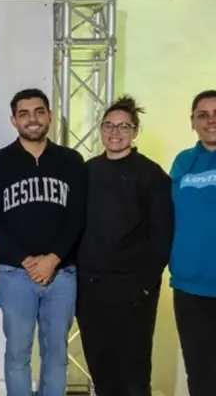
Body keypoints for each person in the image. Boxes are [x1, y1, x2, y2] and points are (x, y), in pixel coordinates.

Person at [0, 88, 87, 396]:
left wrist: (53, 259)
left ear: (50, 116)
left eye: (39, 111)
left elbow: (77, 216)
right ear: (14, 121)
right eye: (24, 114)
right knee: (17, 355)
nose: (33, 119)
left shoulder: (71, 160)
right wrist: (26, 260)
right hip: (16, 273)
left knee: (56, 356)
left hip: (62, 273)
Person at [75, 97, 173, 396]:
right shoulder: (87, 170)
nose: (115, 132)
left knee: (132, 371)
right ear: (100, 130)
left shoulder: (151, 174)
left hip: (133, 289)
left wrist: (144, 284)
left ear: (135, 131)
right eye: (108, 125)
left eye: (123, 126)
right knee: (100, 366)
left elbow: (162, 233)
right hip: (90, 287)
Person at [168, 89, 216, 396]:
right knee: (199, 374)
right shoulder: (183, 162)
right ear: (193, 122)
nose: (211, 120)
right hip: (189, 289)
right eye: (203, 115)